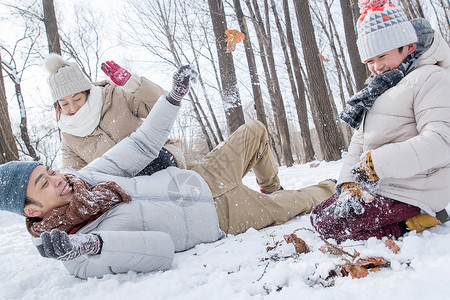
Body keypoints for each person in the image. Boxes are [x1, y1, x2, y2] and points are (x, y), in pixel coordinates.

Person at [0, 65, 335, 279]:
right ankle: (336, 186)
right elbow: (159, 249)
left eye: (50, 171)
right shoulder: (78, 253)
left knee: (254, 130)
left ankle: (271, 188)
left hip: (201, 176)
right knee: (304, 199)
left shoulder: (86, 178)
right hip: (225, 216)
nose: (59, 178)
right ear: (31, 210)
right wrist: (88, 245)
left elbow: (143, 143)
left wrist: (173, 97)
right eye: (45, 183)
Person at [310, 0, 450, 243]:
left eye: (382, 56)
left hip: (416, 188)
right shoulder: (381, 88)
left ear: (408, 46)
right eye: (370, 61)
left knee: (333, 226)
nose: (377, 67)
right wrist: (349, 182)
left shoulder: (431, 78)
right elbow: (360, 140)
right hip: (382, 183)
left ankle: (414, 221)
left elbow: (441, 141)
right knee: (319, 216)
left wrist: (377, 165)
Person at [44, 53, 186, 174]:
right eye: (64, 104)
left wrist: (134, 85)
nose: (73, 108)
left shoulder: (114, 96)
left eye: (77, 99)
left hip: (158, 159)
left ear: (87, 92)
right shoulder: (69, 137)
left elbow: (160, 107)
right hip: (128, 187)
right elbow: (74, 176)